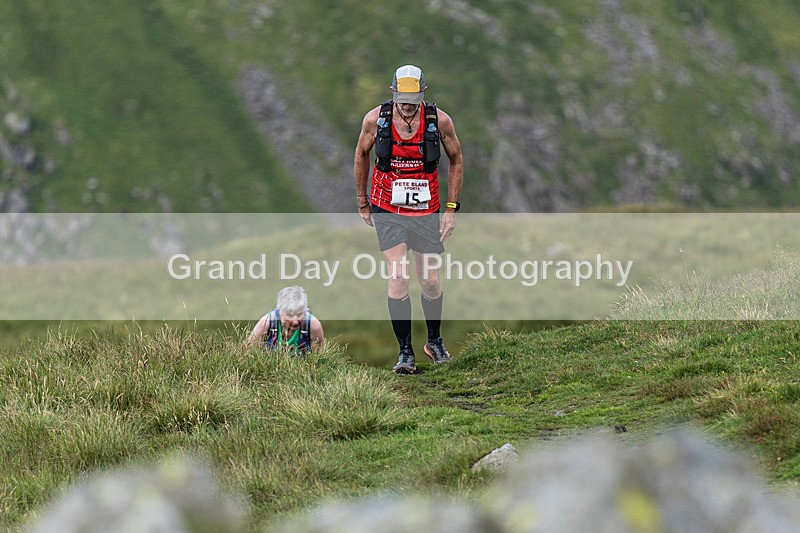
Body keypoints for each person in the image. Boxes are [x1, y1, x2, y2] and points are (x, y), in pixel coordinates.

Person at [354, 64, 464, 374]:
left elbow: (456, 159)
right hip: (386, 205)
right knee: (399, 276)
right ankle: (405, 352)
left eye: (412, 100)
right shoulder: (375, 120)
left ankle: (434, 341)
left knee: (430, 280)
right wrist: (362, 201)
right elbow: (361, 154)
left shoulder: (439, 120)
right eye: (401, 99)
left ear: (423, 94)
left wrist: (452, 208)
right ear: (392, 93)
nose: (406, 105)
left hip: (425, 209)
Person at [248, 285, 325, 352]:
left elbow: (318, 361)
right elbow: (248, 352)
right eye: (290, 315)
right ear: (280, 310)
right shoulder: (266, 323)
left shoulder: (313, 326)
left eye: (299, 314)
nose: (295, 322)